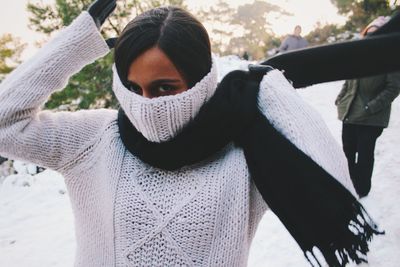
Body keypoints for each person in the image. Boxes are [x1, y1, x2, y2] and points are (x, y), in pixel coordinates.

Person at [0, 1, 381, 266]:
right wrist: (75, 44)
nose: (147, 103)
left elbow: (334, 185)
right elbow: (5, 122)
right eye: (134, 89)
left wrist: (271, 89)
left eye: (165, 88)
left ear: (200, 81)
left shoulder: (247, 148)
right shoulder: (94, 139)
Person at [335, 16, 400, 198]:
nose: (372, 37)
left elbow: (393, 88)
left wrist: (371, 107)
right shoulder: (358, 56)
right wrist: (341, 98)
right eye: (369, 33)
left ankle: (362, 189)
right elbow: (349, 81)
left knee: (364, 156)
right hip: (350, 112)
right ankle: (349, 184)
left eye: (377, 34)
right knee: (347, 151)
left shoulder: (391, 59)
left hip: (371, 117)